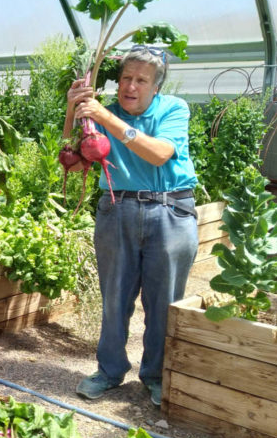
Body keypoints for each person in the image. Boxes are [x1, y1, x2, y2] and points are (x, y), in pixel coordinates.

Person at [63, 45, 198, 407]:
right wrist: (72, 112)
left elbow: (158, 154)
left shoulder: (173, 108)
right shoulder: (100, 116)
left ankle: (154, 375)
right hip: (117, 208)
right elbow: (74, 165)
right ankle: (109, 371)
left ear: (156, 87)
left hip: (170, 210)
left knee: (164, 301)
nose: (131, 86)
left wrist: (105, 118)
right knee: (114, 298)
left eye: (141, 80)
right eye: (125, 78)